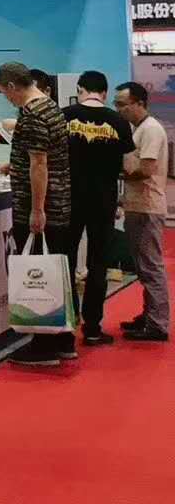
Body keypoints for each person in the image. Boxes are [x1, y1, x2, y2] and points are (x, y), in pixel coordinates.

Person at [0, 61, 74, 366]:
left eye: (4, 93)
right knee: (58, 271)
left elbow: (40, 163)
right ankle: (64, 340)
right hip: (60, 201)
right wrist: (15, 165)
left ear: (12, 86)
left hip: (42, 206)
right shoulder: (51, 107)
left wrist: (37, 210)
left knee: (39, 275)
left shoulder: (32, 115)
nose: (7, 99)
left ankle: (43, 346)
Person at [62, 70, 134, 345]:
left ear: (80, 89)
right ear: (104, 93)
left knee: (66, 260)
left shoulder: (64, 116)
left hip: (68, 199)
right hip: (103, 201)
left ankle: (67, 325)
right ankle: (92, 328)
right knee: (98, 263)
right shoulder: (118, 121)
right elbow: (129, 166)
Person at [114, 82, 170, 342]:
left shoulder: (151, 130)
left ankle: (158, 323)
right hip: (137, 206)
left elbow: (146, 169)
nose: (119, 109)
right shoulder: (139, 129)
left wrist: (115, 174)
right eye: (116, 104)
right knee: (143, 267)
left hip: (147, 207)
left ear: (140, 103)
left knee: (151, 267)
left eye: (123, 104)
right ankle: (150, 315)